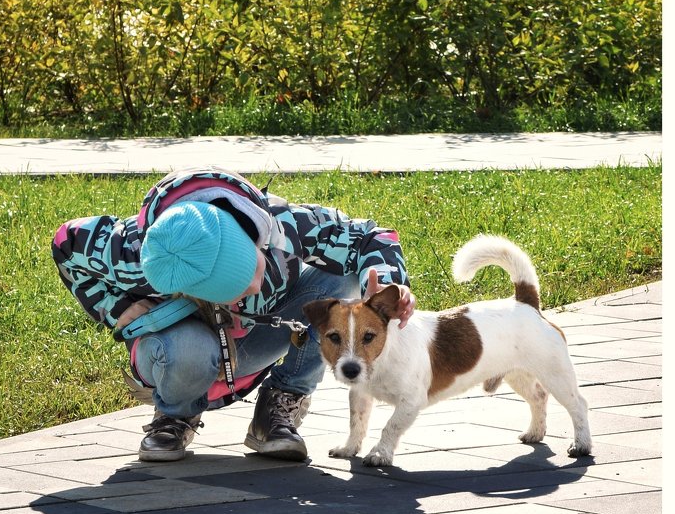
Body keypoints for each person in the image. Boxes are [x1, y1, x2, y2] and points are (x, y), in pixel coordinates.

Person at [51, 166, 415, 463]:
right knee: (187, 349)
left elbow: (370, 237)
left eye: (253, 269)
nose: (255, 288)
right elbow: (66, 243)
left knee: (343, 274)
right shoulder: (129, 253)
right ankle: (174, 415)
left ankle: (279, 406)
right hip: (180, 351)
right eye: (238, 288)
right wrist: (117, 307)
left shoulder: (282, 223)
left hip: (258, 338)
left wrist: (387, 283)